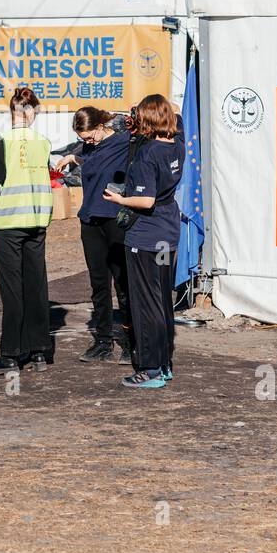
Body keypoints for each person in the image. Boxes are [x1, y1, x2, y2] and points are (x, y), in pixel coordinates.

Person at [103, 94, 182, 389]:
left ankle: (149, 369)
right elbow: (174, 112)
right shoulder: (178, 145)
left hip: (146, 237)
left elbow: (146, 200)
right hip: (168, 234)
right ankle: (163, 362)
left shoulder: (147, 154)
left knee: (145, 303)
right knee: (162, 300)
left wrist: (120, 198)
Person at [0, 87, 54, 374]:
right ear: (33, 111)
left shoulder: (3, 140)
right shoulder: (43, 142)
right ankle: (38, 351)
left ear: (12, 111)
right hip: (36, 221)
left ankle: (11, 353)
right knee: (36, 286)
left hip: (7, 223)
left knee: (12, 290)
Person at [55, 106, 133, 364]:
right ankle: (102, 340)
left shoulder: (123, 141)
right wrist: (72, 156)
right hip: (91, 220)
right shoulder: (88, 147)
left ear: (101, 125)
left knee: (123, 283)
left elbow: (94, 162)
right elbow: (89, 158)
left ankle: (130, 341)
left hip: (114, 219)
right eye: (83, 138)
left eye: (90, 136)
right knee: (99, 284)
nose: (88, 141)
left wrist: (75, 158)